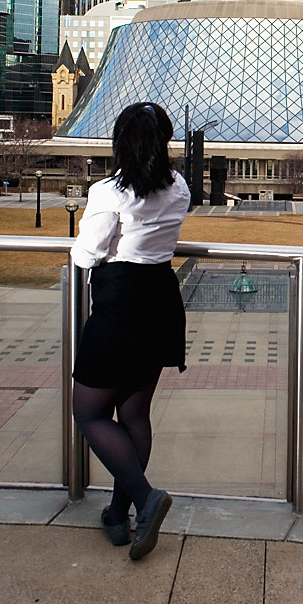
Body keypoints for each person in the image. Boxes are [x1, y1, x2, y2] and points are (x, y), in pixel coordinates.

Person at [72, 102, 191, 560]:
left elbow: (87, 253)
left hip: (120, 303)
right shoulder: (178, 186)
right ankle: (118, 516)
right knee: (135, 415)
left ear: (120, 142)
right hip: (160, 300)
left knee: (89, 413)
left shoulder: (108, 192)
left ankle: (145, 498)